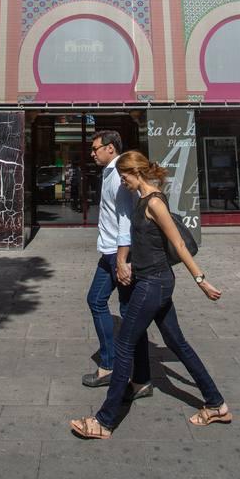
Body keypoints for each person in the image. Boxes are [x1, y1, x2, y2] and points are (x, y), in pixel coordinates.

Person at [71, 150, 231, 439]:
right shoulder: (142, 199)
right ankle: (216, 404)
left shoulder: (155, 202)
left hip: (154, 284)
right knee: (177, 343)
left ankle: (104, 422)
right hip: (151, 280)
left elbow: (179, 245)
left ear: (136, 173)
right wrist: (129, 262)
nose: (122, 183)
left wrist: (201, 280)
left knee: (124, 345)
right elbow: (144, 241)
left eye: (124, 177)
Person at [82, 131, 150, 390]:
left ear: (110, 148)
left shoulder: (120, 175)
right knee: (96, 300)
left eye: (95, 148)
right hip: (109, 252)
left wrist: (122, 260)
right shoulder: (110, 172)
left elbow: (125, 219)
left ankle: (140, 377)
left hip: (120, 253)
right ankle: (109, 363)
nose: (92, 153)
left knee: (128, 313)